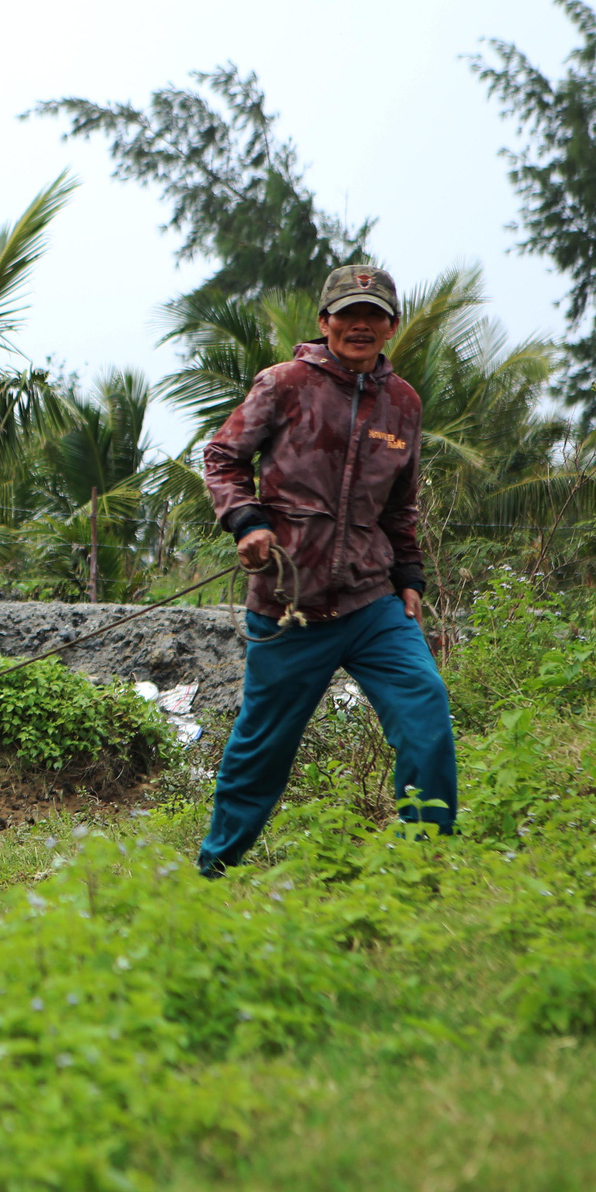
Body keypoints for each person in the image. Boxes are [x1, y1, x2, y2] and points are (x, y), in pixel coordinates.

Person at [198, 264, 456, 876]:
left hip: (372, 603)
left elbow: (401, 505)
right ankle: (214, 872)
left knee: (426, 712)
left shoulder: (403, 404)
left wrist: (411, 581)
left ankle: (426, 865)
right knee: (262, 750)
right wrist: (247, 522)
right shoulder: (283, 384)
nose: (360, 326)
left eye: (374, 316)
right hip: (290, 605)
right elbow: (222, 457)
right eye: (347, 315)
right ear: (325, 323)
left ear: (391, 326)